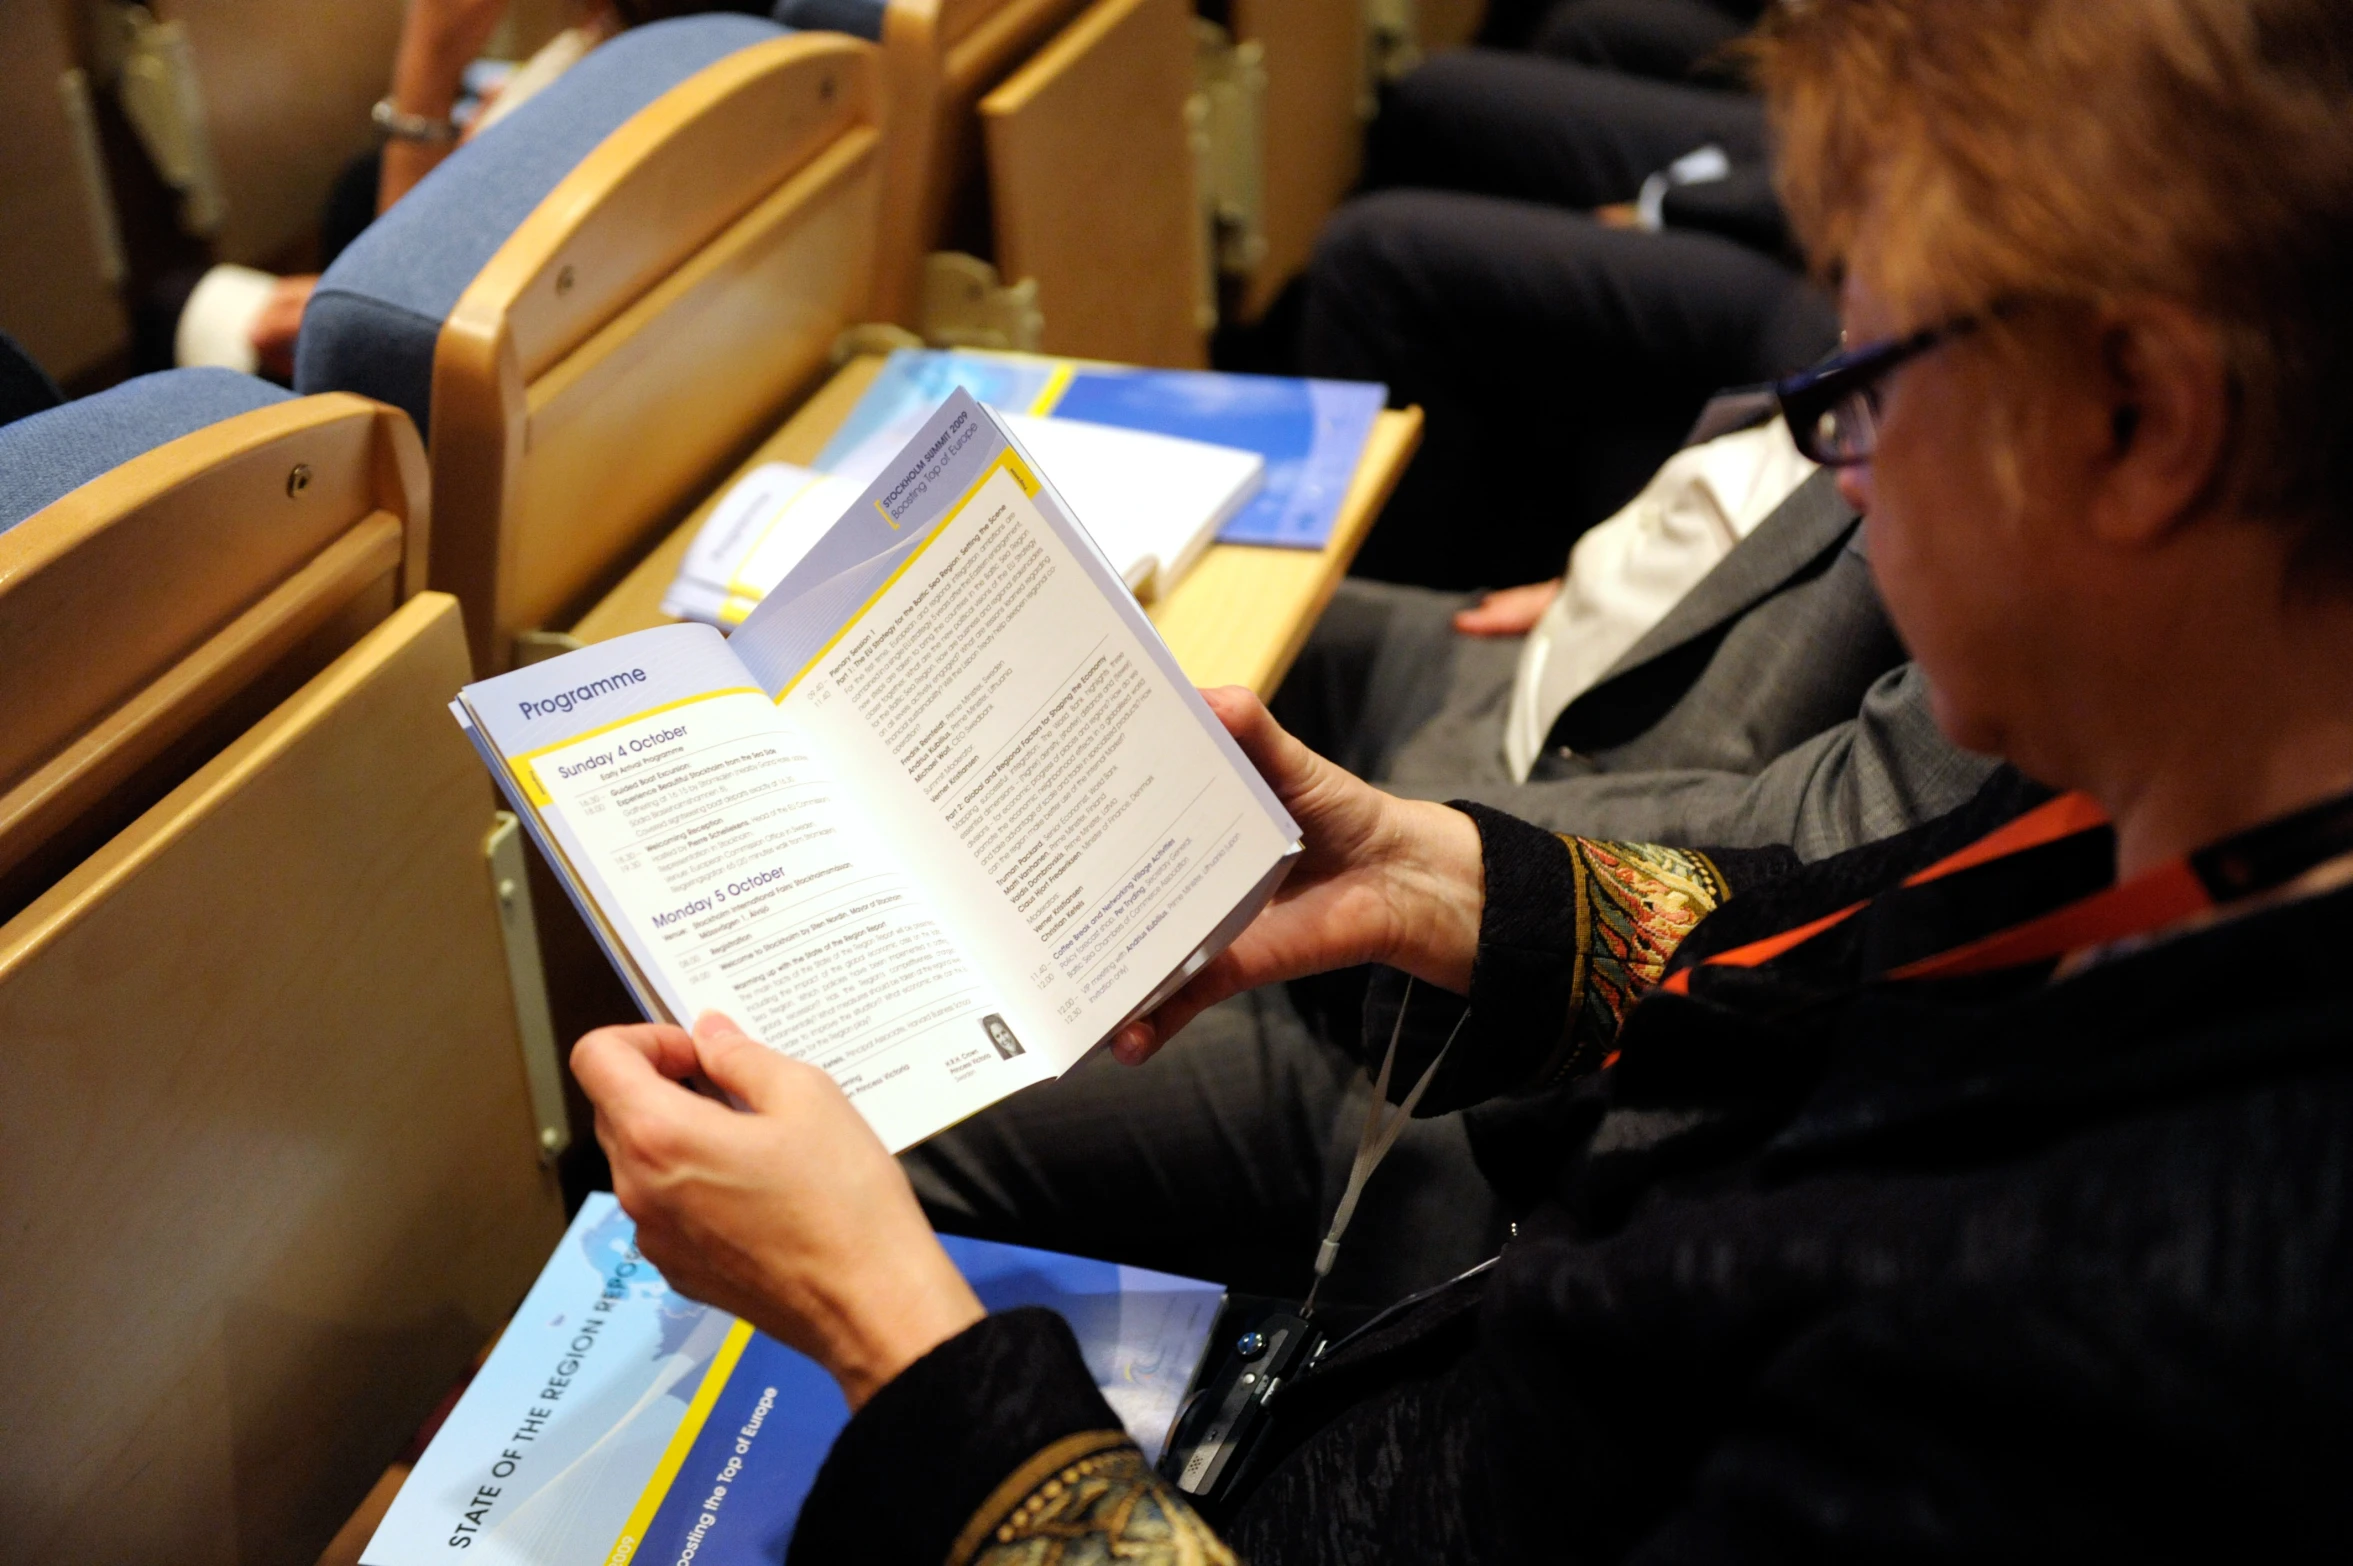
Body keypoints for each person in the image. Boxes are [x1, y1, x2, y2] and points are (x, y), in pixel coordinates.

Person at [574, 0, 2353, 1558]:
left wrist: (889, 1324)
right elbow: (1844, 957)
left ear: (2139, 420)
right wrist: (1453, 883)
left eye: (1866, 389)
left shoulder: (2137, 1337)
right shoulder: (2196, 793)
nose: (1845, 473)